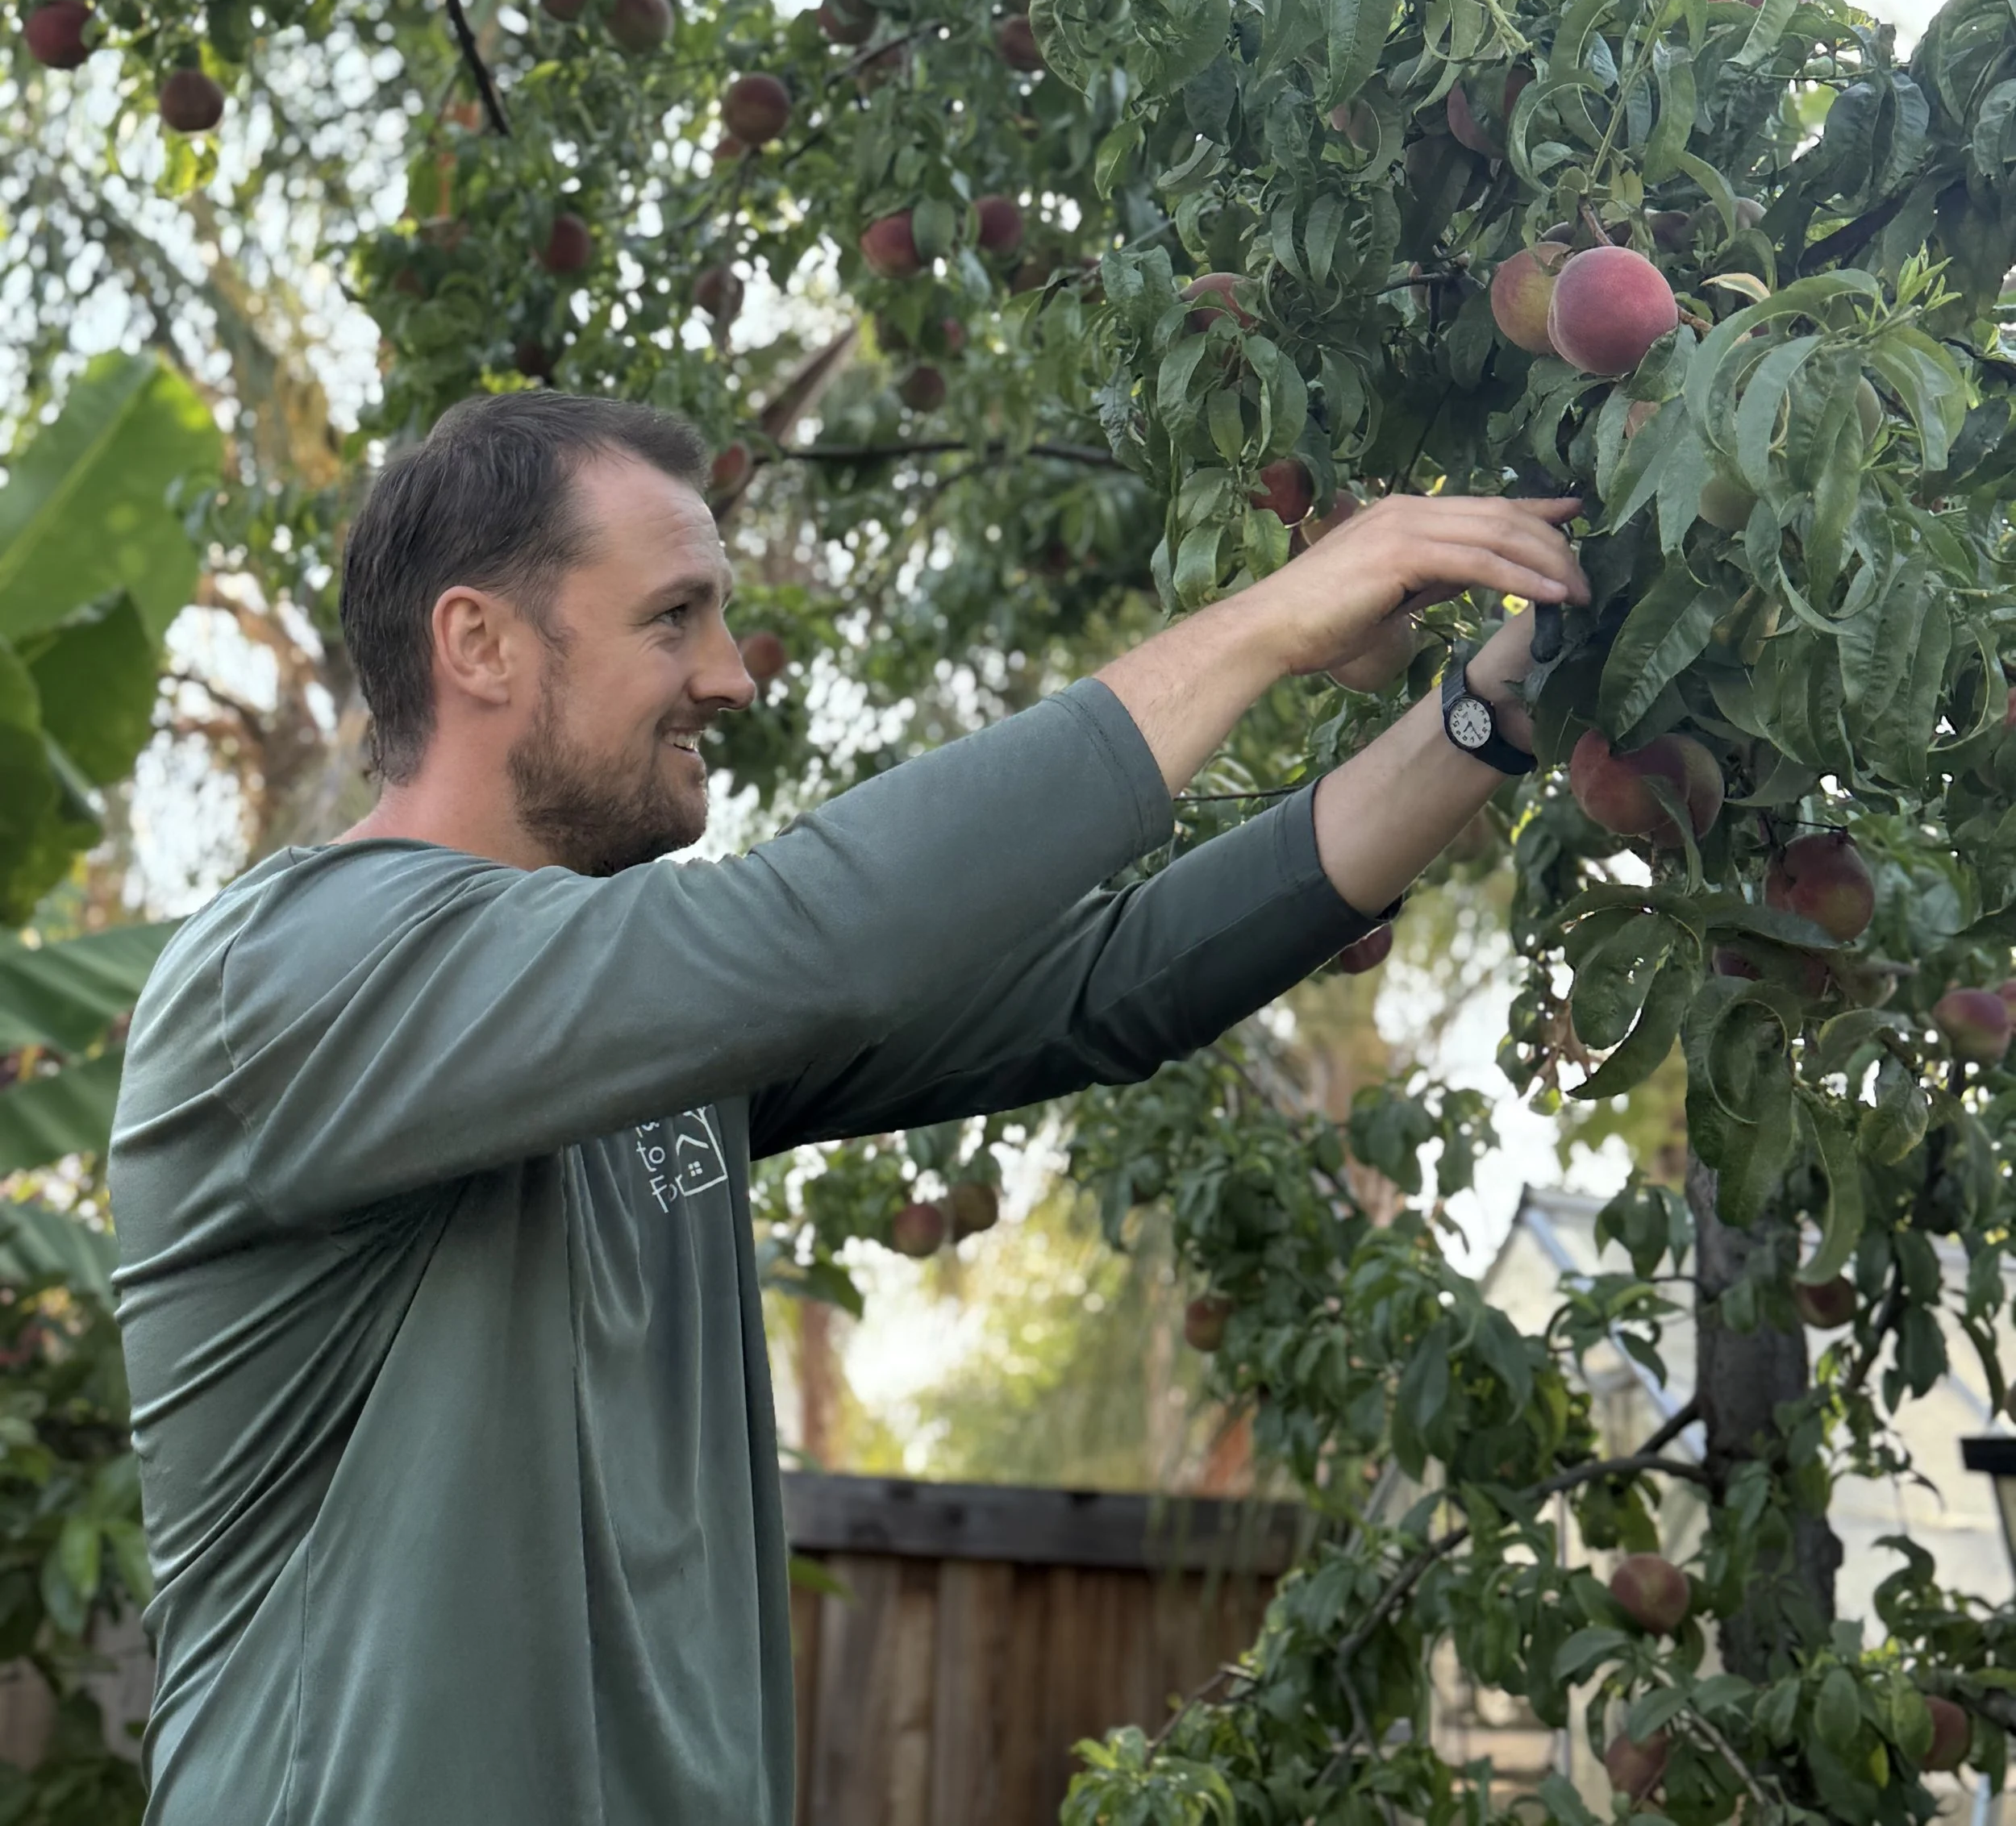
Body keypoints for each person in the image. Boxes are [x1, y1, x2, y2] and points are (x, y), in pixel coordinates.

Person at [110, 389, 1586, 1825]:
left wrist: (1488, 714)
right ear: (479, 643)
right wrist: (1277, 617)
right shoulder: (289, 976)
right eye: (672, 617)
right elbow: (819, 936)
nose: (731, 676)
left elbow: (1112, 980)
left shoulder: (639, 1028)